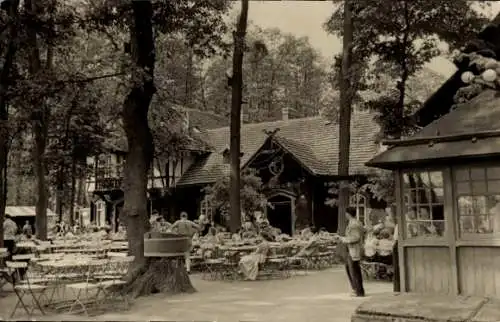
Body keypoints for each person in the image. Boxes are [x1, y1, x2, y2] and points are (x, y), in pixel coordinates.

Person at [339, 207, 365, 297]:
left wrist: (343, 239)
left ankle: (358, 290)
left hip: (353, 249)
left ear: (348, 214)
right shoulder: (357, 222)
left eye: (346, 213)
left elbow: (356, 237)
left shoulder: (353, 224)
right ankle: (357, 289)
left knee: (353, 270)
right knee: (352, 269)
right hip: (352, 249)